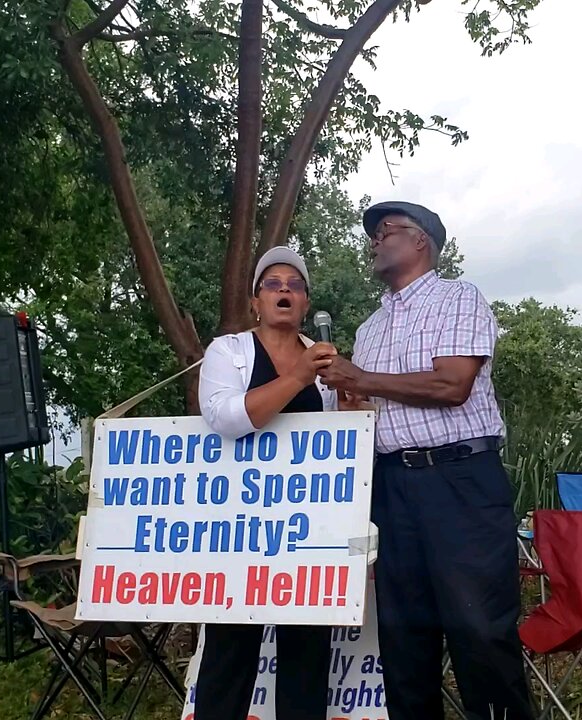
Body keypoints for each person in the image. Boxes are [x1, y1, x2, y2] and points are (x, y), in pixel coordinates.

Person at [317, 201, 534, 720]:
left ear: (421, 242)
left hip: (460, 481)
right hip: (393, 488)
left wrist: (358, 379)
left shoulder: (458, 297)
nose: (374, 240)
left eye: (385, 231)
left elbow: (451, 384)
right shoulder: (369, 329)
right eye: (372, 234)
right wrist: (342, 396)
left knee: (479, 631)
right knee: (403, 637)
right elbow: (367, 406)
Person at [194, 246, 338, 720]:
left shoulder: (324, 367)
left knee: (306, 664)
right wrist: (296, 376)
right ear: (255, 301)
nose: (284, 291)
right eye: (273, 284)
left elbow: (341, 450)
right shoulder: (228, 351)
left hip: (307, 535)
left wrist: (354, 404)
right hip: (239, 535)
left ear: (304, 303)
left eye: (294, 286)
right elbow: (223, 418)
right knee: (228, 662)